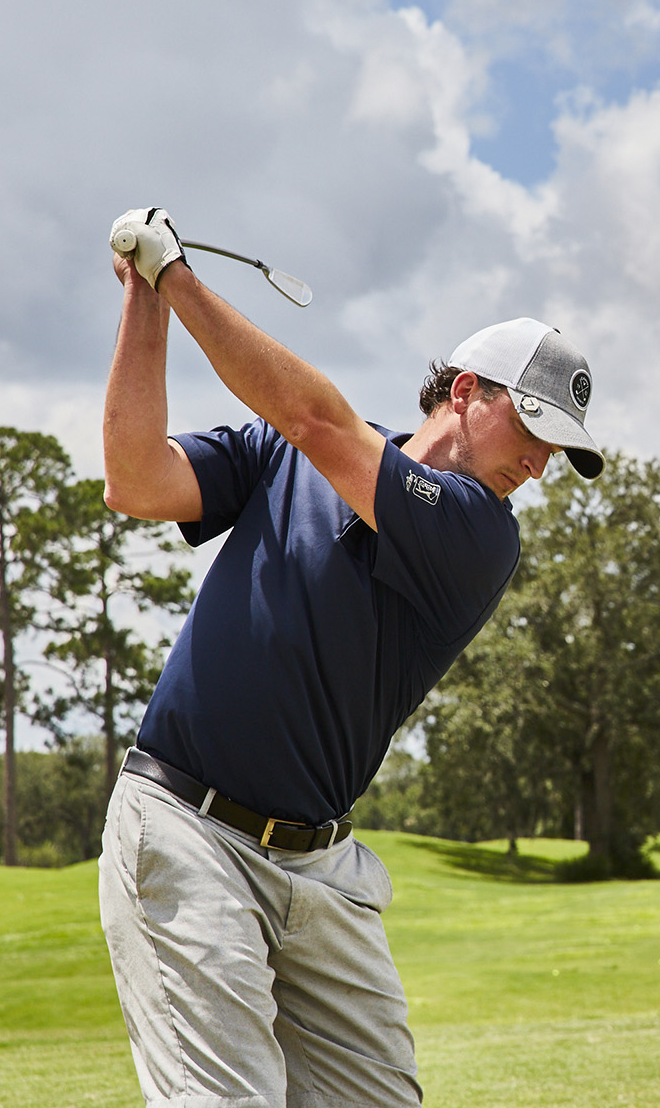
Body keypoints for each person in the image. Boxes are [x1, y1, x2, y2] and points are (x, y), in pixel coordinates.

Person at [95, 208, 602, 1108]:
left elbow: (315, 420)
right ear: (465, 392)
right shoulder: (280, 454)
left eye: (557, 449)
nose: (539, 462)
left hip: (321, 871)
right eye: (531, 426)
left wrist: (180, 279)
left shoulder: (482, 534)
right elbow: (136, 479)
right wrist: (146, 298)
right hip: (186, 828)